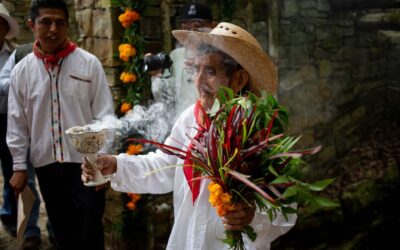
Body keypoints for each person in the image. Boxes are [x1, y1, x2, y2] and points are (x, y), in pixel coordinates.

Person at [82, 22, 296, 249]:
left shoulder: (258, 131)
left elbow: (285, 210)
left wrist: (253, 214)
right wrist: (116, 165)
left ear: (239, 80)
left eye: (211, 71)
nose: (199, 80)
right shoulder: (191, 118)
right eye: (196, 69)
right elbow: (165, 165)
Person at [6, 0, 113, 249]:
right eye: (45, 22)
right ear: (32, 25)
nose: (53, 29)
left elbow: (105, 115)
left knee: (90, 232)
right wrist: (20, 166)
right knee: (62, 232)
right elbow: (17, 123)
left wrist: (103, 157)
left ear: (67, 26)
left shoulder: (89, 64)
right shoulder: (21, 72)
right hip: (47, 165)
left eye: (60, 22)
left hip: (87, 164)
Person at [149, 2, 216, 120]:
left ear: (212, 26)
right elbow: (166, 99)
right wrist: (157, 77)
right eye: (186, 28)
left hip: (210, 123)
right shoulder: (176, 55)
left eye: (197, 27)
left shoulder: (220, 57)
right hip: (181, 124)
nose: (191, 33)